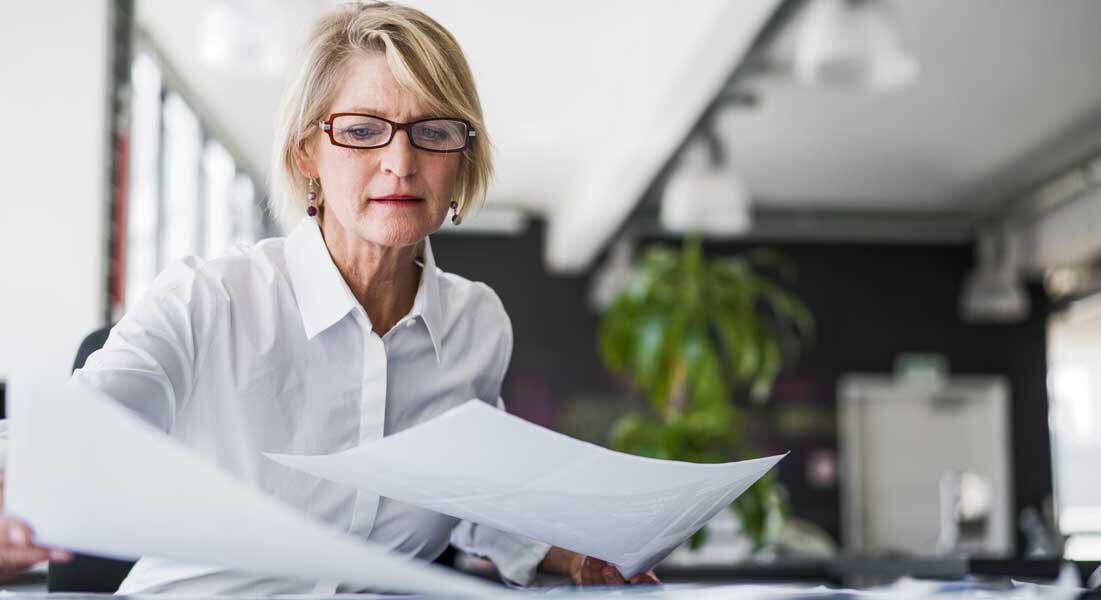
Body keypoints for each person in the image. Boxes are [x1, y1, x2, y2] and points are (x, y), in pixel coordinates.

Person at [0, 2, 660, 592]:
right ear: (307, 154)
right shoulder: (210, 299)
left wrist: (566, 554)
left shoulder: (474, 324)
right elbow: (62, 440)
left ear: (462, 156)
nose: (400, 164)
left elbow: (465, 494)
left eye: (432, 131)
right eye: (364, 130)